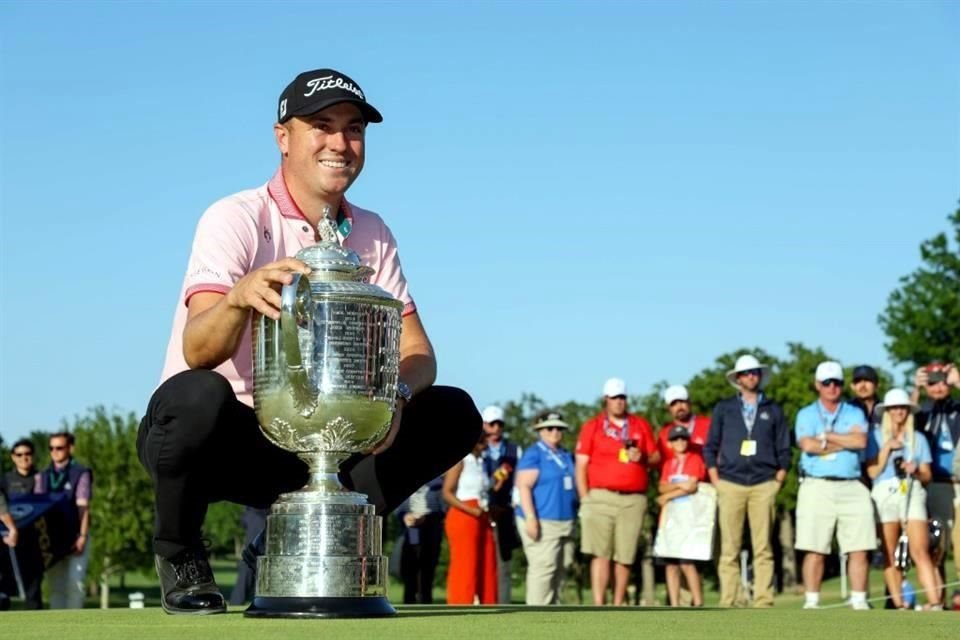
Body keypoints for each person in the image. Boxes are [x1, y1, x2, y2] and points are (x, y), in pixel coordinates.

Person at [137, 67, 481, 614]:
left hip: (323, 440)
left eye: (353, 129)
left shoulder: (372, 232)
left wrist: (396, 397)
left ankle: (287, 538)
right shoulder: (236, 216)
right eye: (322, 125)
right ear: (283, 137)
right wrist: (237, 297)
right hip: (224, 437)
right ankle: (179, 554)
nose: (340, 143)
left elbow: (419, 353)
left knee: (453, 412)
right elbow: (198, 352)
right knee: (195, 394)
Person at [703, 354, 790, 608]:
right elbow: (710, 446)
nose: (751, 377)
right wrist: (716, 479)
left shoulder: (773, 409)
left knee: (763, 547)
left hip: (764, 483)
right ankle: (730, 599)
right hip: (730, 482)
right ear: (738, 379)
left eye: (755, 372)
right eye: (746, 373)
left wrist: (779, 479)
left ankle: (763, 599)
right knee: (729, 548)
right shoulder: (724, 408)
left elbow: (785, 447)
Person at [794, 361, 875, 610]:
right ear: (818, 385)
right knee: (815, 548)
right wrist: (844, 441)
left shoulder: (853, 412)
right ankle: (812, 601)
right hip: (817, 485)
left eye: (837, 382)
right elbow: (807, 445)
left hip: (851, 484)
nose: (832, 387)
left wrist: (827, 437)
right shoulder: (806, 414)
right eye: (827, 383)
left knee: (859, 547)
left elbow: (861, 441)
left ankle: (859, 600)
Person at [575, 377, 659, 606]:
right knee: (600, 554)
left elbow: (656, 457)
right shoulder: (592, 426)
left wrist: (642, 457)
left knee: (625, 555)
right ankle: (599, 604)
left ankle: (618, 603)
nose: (619, 402)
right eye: (614, 398)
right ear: (606, 400)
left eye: (622, 397)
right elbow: (581, 465)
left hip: (633, 499)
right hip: (600, 497)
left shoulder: (640, 424)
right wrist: (585, 499)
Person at [865, 388, 942, 610]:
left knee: (920, 549)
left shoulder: (917, 439)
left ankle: (934, 601)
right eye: (895, 408)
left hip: (911, 488)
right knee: (890, 552)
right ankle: (899, 605)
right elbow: (872, 472)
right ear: (887, 411)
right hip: (884, 491)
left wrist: (915, 469)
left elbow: (927, 474)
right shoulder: (876, 436)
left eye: (903, 408)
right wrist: (886, 450)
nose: (899, 411)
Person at [515, 411, 578, 605]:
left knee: (562, 566)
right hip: (541, 519)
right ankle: (536, 614)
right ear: (540, 431)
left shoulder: (565, 454)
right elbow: (523, 485)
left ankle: (553, 612)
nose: (555, 431)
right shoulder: (534, 454)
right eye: (550, 428)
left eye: (559, 428)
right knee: (544, 566)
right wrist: (531, 518)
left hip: (565, 521)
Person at [912, 362, 960, 584]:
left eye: (942, 382)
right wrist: (915, 390)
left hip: (958, 481)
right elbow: (902, 422)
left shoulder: (957, 407)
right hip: (936, 484)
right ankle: (938, 598)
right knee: (937, 542)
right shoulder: (922, 411)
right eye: (933, 383)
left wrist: (958, 381)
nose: (938, 387)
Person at [34, 432, 92, 609]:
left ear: (70, 448)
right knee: (55, 587)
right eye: (51, 448)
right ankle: (58, 628)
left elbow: (83, 507)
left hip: (75, 536)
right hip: (52, 539)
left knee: (75, 585)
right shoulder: (42, 476)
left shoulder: (81, 473)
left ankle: (75, 626)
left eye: (59, 447)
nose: (55, 452)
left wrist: (82, 536)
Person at [442, 431, 497, 605]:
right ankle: (460, 602)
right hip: (464, 513)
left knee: (487, 560)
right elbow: (447, 493)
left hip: (482, 513)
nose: (483, 444)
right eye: (480, 440)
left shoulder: (482, 462)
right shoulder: (461, 460)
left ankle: (488, 602)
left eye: (484, 440)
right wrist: (470, 510)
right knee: (465, 562)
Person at [656, 426, 708, 607]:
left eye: (683, 439)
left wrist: (668, 495)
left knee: (687, 561)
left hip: (689, 514)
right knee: (670, 564)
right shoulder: (668, 464)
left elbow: (692, 486)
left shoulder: (695, 459)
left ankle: (698, 601)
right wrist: (677, 487)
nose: (680, 442)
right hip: (671, 517)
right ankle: (675, 603)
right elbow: (662, 486)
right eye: (676, 439)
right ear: (670, 443)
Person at [480, 405, 521, 603]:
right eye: (491, 424)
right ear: (484, 425)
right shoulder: (476, 449)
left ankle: (504, 603)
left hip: (505, 510)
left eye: (499, 424)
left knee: (504, 562)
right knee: (482, 560)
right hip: (480, 510)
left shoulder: (514, 450)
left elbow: (519, 483)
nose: (495, 428)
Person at [1, 440, 43, 609]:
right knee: (4, 588)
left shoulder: (41, 478)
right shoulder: (5, 480)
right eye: (19, 454)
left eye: (28, 454)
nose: (24, 458)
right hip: (7, 542)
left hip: (35, 542)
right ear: (13, 457)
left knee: (33, 589)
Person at [396, 476, 445, 604]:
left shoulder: (438, 483)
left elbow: (444, 509)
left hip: (431, 530)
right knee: (410, 566)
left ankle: (426, 600)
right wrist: (405, 516)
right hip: (412, 531)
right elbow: (399, 508)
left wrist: (427, 519)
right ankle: (409, 601)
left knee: (428, 568)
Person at [658, 385, 711, 466]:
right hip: (677, 477)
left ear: (689, 402)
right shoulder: (664, 434)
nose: (679, 407)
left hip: (707, 477)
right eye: (674, 404)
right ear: (668, 408)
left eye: (682, 401)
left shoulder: (708, 424)